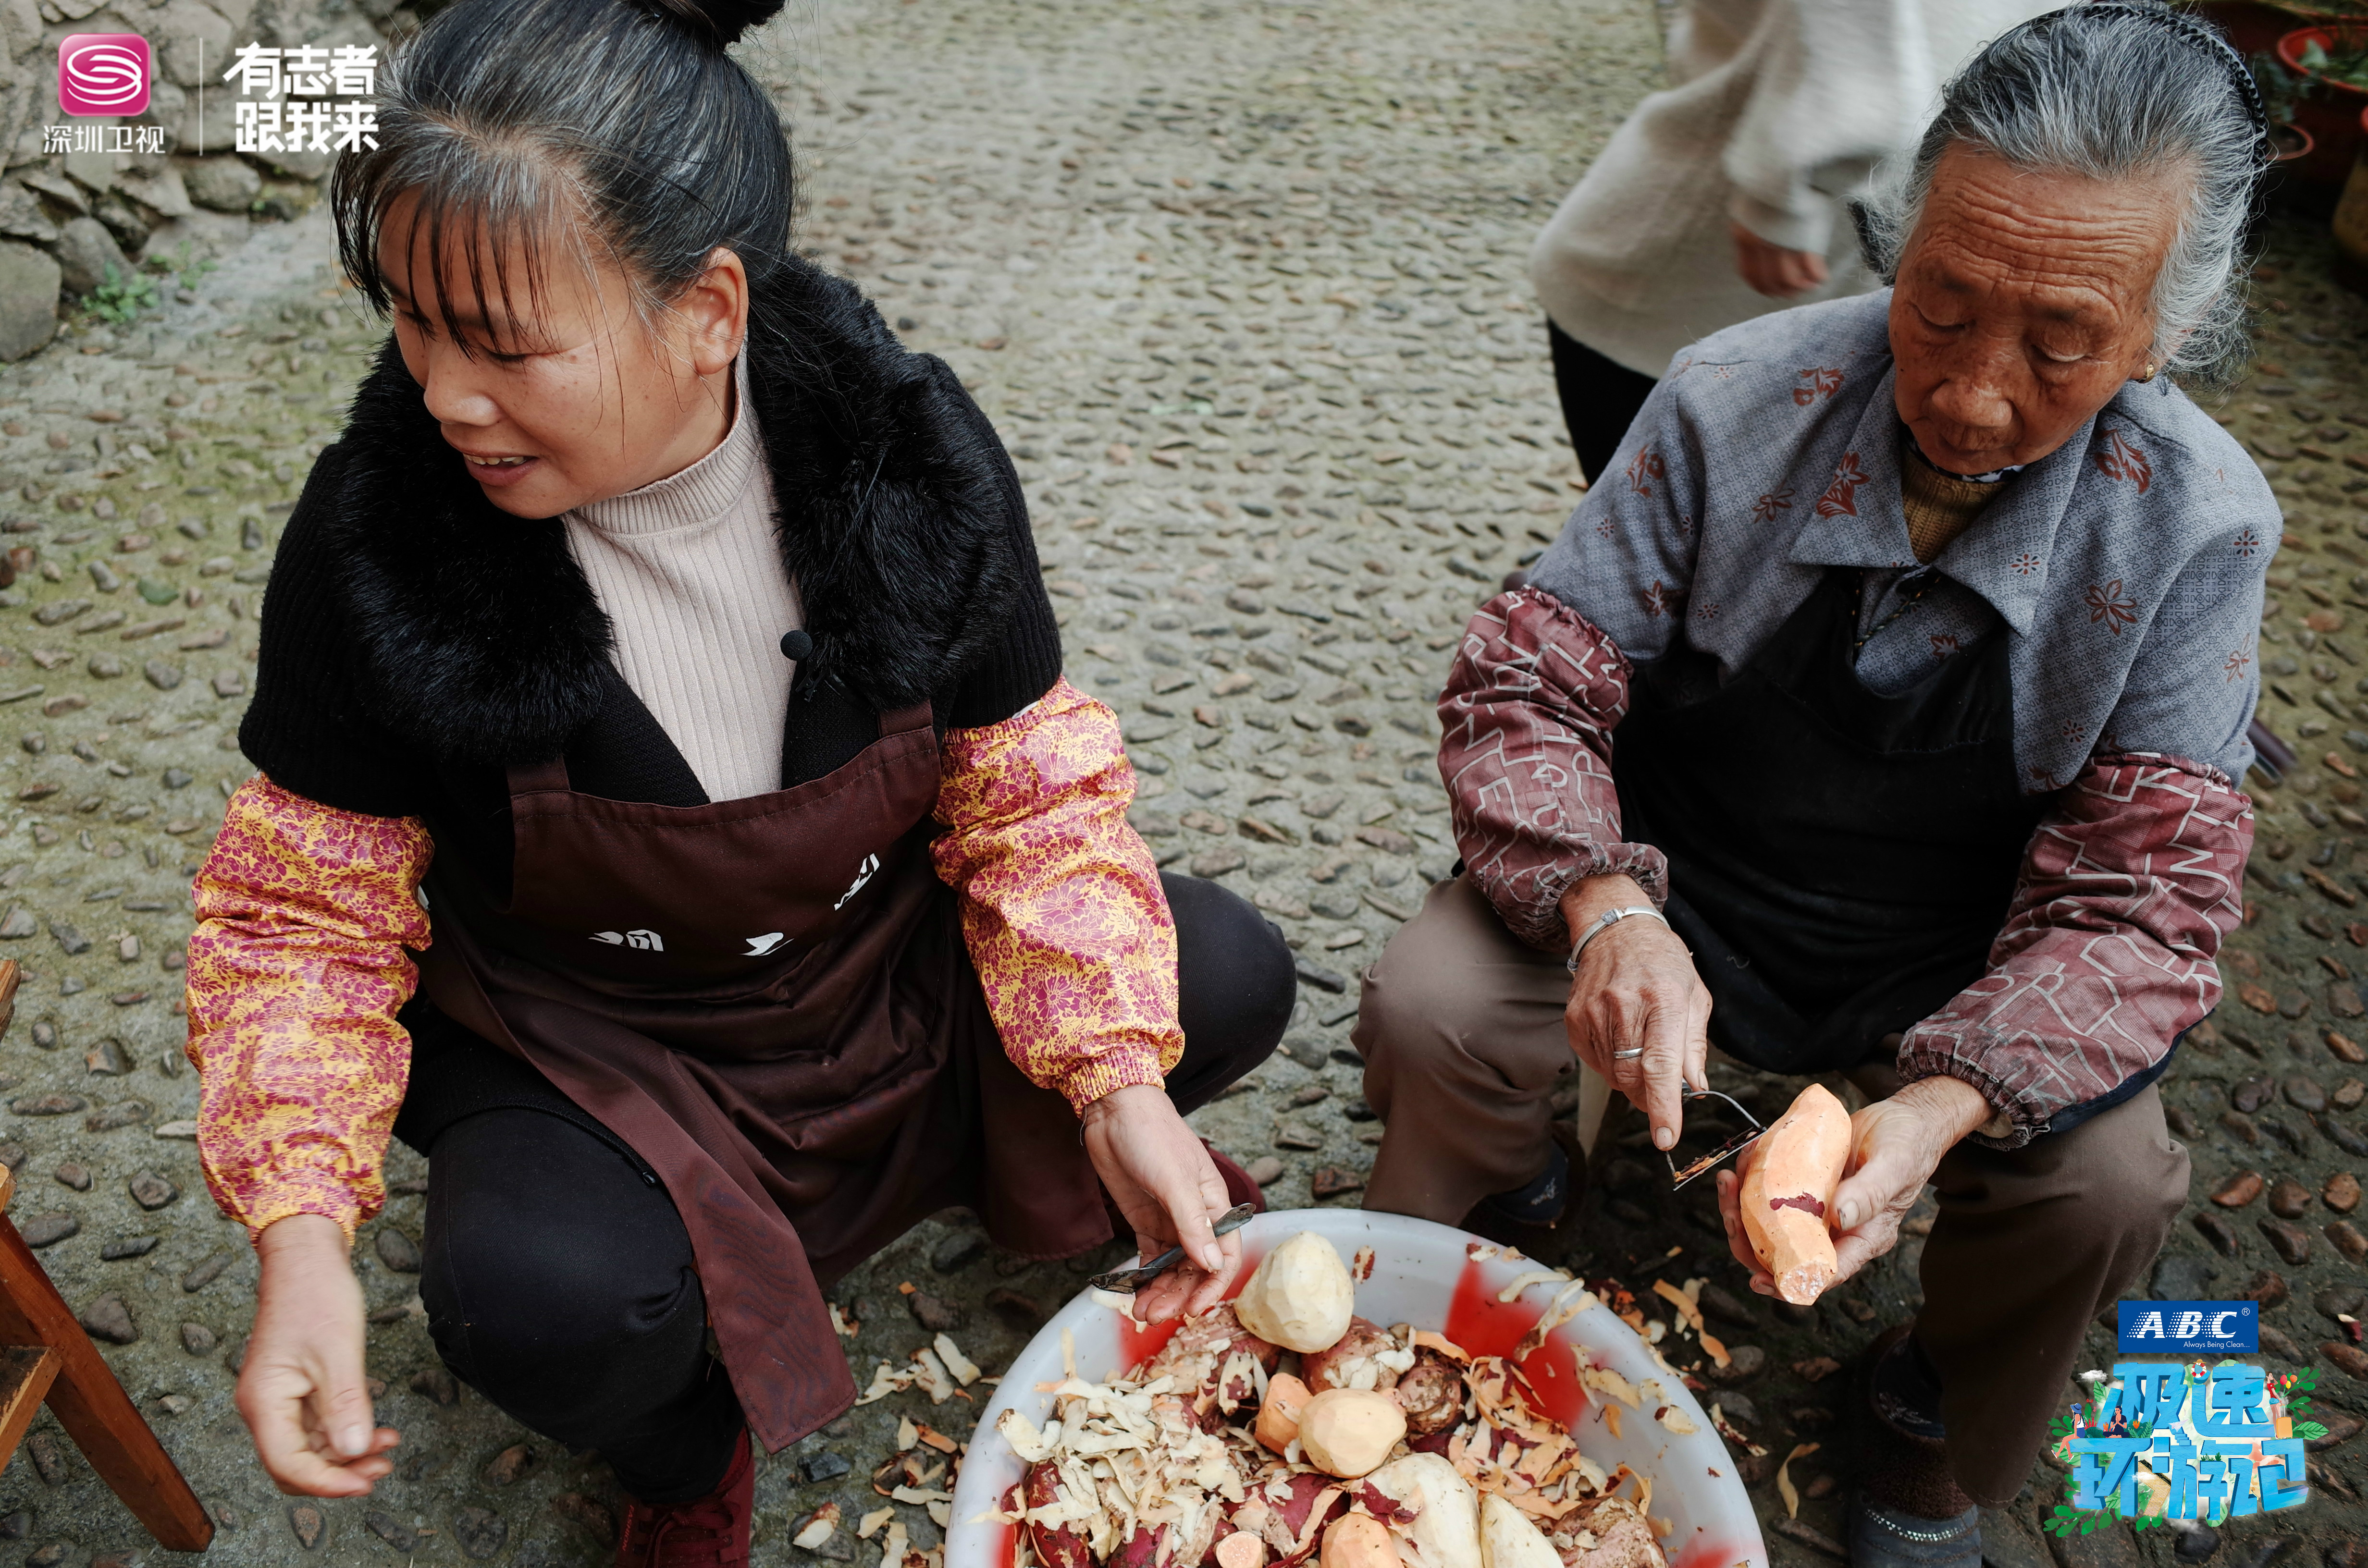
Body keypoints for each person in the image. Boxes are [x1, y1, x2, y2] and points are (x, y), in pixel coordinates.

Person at [182, 0, 1295, 1559]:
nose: (443, 394)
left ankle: (1062, 1157)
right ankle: (680, 1448)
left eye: (505, 345)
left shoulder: (905, 454)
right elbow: (299, 918)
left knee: (1223, 974)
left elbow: (1029, 791)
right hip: (608, 1042)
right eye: (410, 322)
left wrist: (1114, 1078)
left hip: (881, 980)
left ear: (707, 310)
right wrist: (297, 1238)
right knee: (532, 1308)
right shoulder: (375, 543)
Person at [1355, 5, 2276, 1562]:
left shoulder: (2195, 527)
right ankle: (1497, 1226)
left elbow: (2146, 903)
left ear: (2158, 337)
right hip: (1691, 884)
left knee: (2108, 1184)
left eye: (2056, 341)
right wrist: (1601, 911)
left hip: (1965, 954)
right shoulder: (1734, 393)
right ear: (1896, 241)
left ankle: (1927, 1422)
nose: (1971, 393)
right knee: (1434, 999)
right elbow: (1530, 672)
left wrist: (1941, 1100)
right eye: (1939, 303)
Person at [1528, 0, 2060, 485]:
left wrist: (1779, 199)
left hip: (1719, 248)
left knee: (1680, 517)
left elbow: (1858, 87)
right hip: (1826, 239)